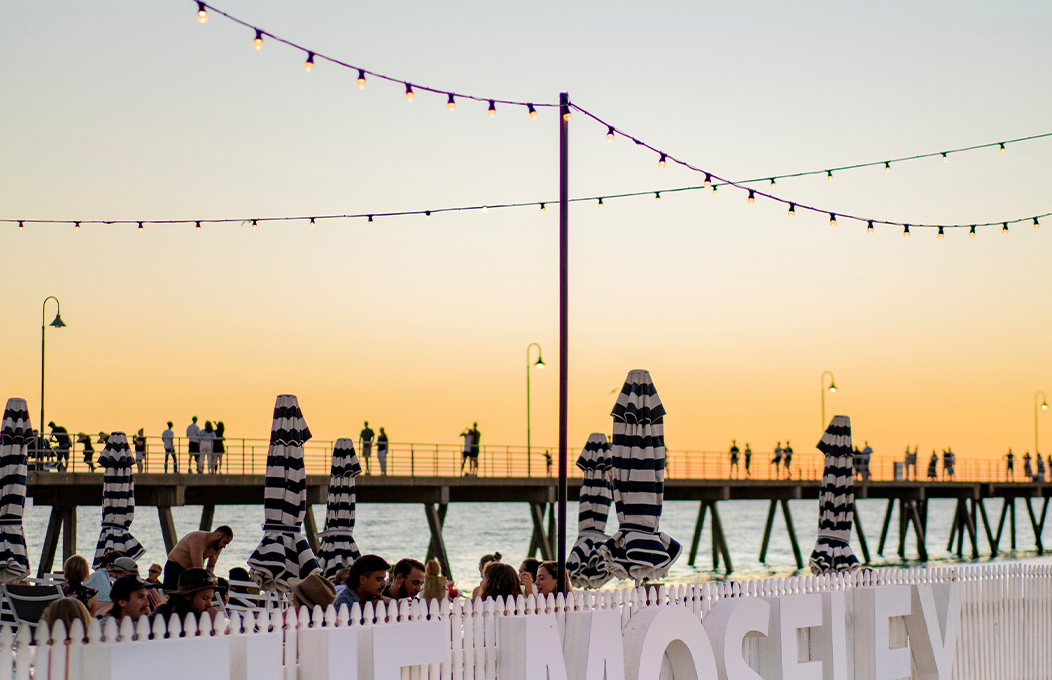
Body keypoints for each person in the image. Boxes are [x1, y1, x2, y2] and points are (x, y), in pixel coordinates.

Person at [163, 525, 234, 590]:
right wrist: (208, 582)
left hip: (191, 571)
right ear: (218, 535)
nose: (224, 546)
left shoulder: (217, 546)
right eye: (224, 542)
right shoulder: (198, 540)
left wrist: (214, 582)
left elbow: (211, 566)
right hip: (175, 567)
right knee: (172, 594)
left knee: (220, 585)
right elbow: (198, 568)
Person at [153, 568, 219, 623]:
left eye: (210, 598)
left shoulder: (199, 614)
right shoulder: (161, 617)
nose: (209, 605)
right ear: (188, 596)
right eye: (205, 598)